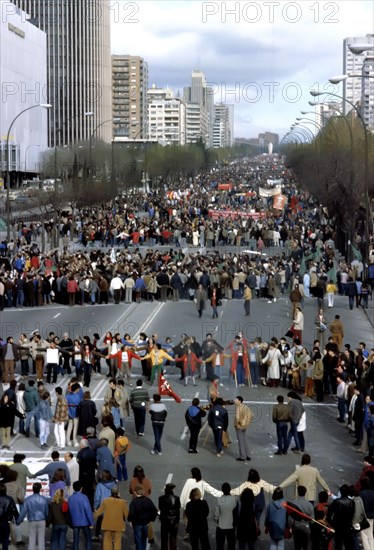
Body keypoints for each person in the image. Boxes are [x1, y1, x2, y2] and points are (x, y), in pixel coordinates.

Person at [94, 486, 129, 550]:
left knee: (107, 543)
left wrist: (91, 520)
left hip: (107, 525)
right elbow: (127, 515)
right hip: (118, 526)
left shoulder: (105, 501)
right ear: (118, 493)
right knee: (117, 543)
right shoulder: (122, 503)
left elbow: (98, 512)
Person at [17, 482, 49, 550]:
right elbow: (47, 512)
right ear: (40, 489)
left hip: (32, 520)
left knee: (32, 538)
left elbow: (23, 511)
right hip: (42, 520)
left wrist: (19, 520)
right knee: (41, 538)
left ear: (33, 489)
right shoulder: (44, 499)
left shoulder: (28, 499)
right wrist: (47, 519)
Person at [128, 484, 158, 550]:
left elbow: (131, 514)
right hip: (146, 523)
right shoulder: (148, 500)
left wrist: (130, 521)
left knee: (138, 541)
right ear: (143, 492)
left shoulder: (133, 502)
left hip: (137, 524)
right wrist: (151, 519)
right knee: (144, 540)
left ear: (135, 492)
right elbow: (154, 511)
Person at [326, 484, 355, 550]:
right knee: (348, 545)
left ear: (341, 492)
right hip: (348, 526)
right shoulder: (352, 502)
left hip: (338, 526)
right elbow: (353, 514)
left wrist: (332, 524)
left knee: (338, 545)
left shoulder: (336, 502)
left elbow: (329, 515)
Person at [68, 480, 94, 550]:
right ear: (81, 488)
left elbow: (69, 511)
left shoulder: (70, 498)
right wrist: (91, 522)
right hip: (84, 522)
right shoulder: (84, 497)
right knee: (88, 539)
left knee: (75, 540)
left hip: (74, 522)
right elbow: (88, 511)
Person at [214, 482, 238, 550]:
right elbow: (236, 514)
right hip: (231, 525)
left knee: (220, 545)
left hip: (220, 525)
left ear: (222, 490)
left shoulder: (219, 500)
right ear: (230, 489)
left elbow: (216, 514)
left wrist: (216, 521)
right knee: (231, 544)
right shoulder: (234, 500)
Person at [289, 485, 314, 550]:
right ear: (305, 493)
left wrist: (290, 527)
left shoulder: (294, 504)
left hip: (296, 527)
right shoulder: (309, 505)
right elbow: (312, 520)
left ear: (298, 492)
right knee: (306, 546)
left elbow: (291, 518)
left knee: (297, 546)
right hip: (306, 528)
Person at [158, 482, 181, 550]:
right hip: (174, 520)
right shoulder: (176, 498)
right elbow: (178, 508)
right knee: (173, 537)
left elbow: (160, 508)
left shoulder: (161, 498)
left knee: (164, 538)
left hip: (165, 520)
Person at [234, 396, 253, 461]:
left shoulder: (238, 408)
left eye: (236, 400)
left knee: (240, 442)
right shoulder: (246, 407)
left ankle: (242, 456)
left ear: (239, 401)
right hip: (245, 426)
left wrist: (237, 424)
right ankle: (248, 455)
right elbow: (252, 415)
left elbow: (237, 418)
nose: (235, 401)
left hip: (239, 426)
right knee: (244, 440)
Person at [0, 483, 19, 550]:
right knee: (5, 540)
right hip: (6, 522)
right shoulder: (9, 499)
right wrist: (17, 519)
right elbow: (14, 510)